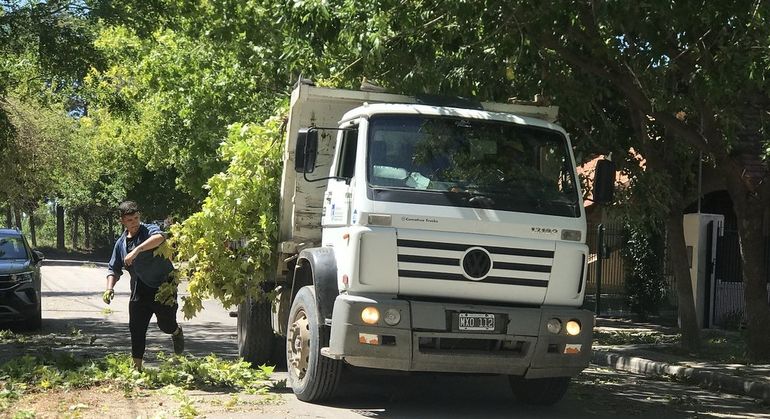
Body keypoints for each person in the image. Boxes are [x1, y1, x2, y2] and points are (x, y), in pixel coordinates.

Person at [103, 200, 183, 371]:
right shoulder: (120, 244)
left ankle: (176, 331)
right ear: (122, 221)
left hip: (163, 287)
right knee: (136, 329)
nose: (134, 222)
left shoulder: (148, 230)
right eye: (130, 220)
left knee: (166, 325)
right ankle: (136, 369)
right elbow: (113, 269)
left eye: (136, 218)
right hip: (139, 291)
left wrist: (137, 250)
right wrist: (109, 288)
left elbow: (160, 237)